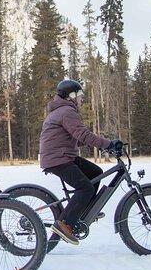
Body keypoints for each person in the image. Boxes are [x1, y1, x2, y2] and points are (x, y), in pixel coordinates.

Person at [39, 79, 123, 245]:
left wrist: (98, 145)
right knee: (85, 188)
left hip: (62, 155)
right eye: (79, 95)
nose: (81, 99)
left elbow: (75, 137)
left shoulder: (63, 111)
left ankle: (84, 210)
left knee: (95, 173)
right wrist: (108, 144)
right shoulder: (66, 111)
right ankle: (65, 223)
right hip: (58, 158)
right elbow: (83, 134)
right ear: (70, 96)